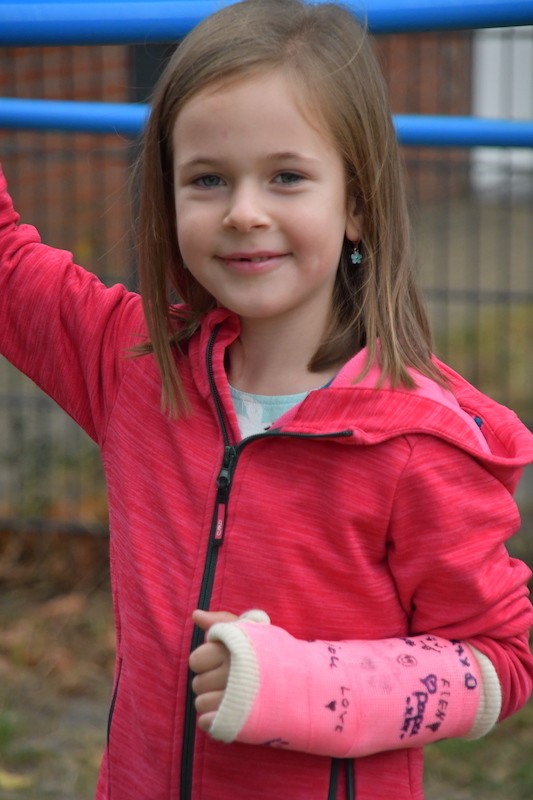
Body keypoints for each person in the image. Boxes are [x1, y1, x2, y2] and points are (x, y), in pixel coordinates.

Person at [1, 0, 532, 798]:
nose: (244, 212)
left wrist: (305, 685)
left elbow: (498, 661)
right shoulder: (136, 367)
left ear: (356, 205)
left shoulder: (415, 446)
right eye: (207, 179)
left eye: (286, 177)